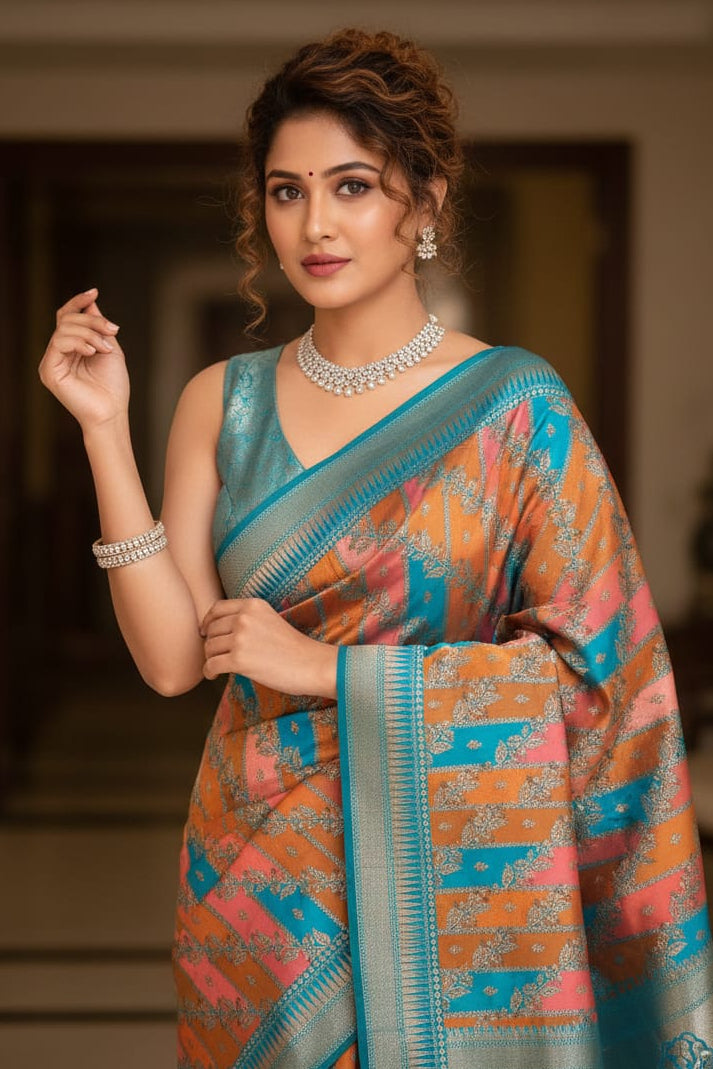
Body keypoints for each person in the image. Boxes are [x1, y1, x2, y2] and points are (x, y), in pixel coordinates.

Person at [39, 26, 712, 1069]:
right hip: (258, 890)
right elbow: (173, 661)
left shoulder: (511, 407)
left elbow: (599, 679)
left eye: (352, 186)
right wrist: (99, 431)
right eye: (285, 191)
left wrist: (322, 669)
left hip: (459, 888)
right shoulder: (224, 402)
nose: (314, 224)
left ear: (425, 201)